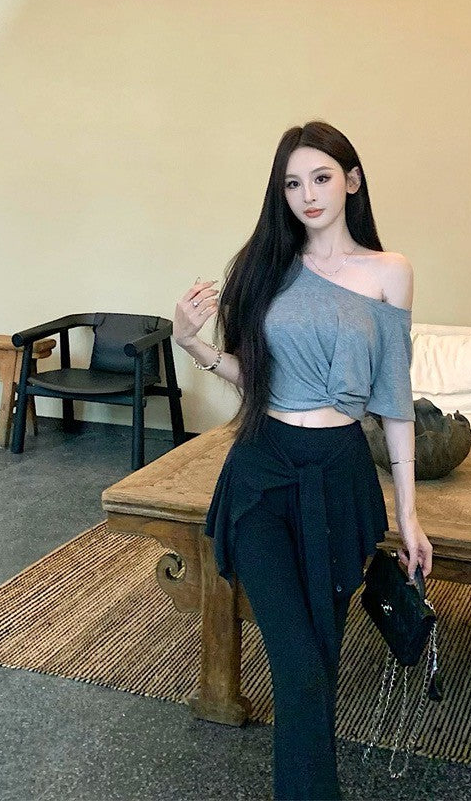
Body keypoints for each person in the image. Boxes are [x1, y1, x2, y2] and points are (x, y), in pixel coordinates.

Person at [172, 120, 433, 801]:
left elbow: (394, 400)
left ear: (353, 181)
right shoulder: (265, 267)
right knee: (299, 664)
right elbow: (255, 376)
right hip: (262, 474)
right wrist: (192, 344)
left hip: (339, 477)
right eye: (292, 183)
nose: (308, 195)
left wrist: (408, 516)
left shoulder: (389, 273)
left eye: (321, 177)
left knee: (319, 663)